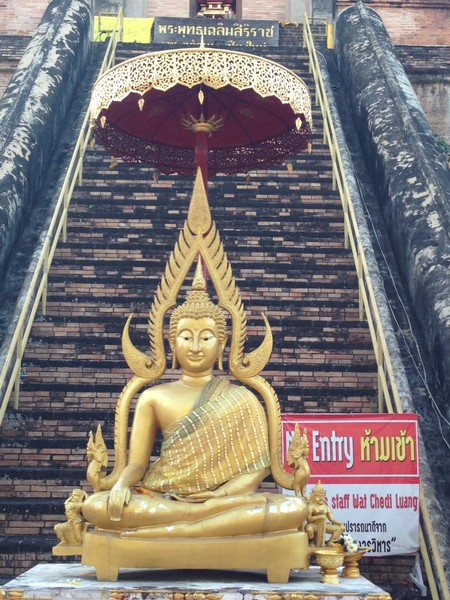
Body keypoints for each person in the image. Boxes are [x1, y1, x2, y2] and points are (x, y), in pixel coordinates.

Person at [82, 266, 308, 538]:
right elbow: (138, 465)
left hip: (221, 503)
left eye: (206, 337)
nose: (196, 347)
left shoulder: (243, 399)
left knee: (294, 508)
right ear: (172, 343)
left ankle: (173, 529)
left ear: (222, 344)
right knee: (96, 506)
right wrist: (120, 485)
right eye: (186, 337)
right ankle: (195, 525)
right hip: (162, 499)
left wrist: (218, 496)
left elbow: (258, 470)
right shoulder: (154, 397)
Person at [305, 481, 344, 546]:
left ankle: (331, 541)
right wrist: (318, 517)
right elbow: (308, 519)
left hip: (324, 525)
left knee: (339, 528)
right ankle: (311, 542)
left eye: (323, 496)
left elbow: (331, 519)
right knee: (308, 529)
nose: (321, 498)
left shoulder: (326, 507)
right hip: (314, 525)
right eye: (318, 497)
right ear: (313, 496)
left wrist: (340, 523)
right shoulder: (311, 506)